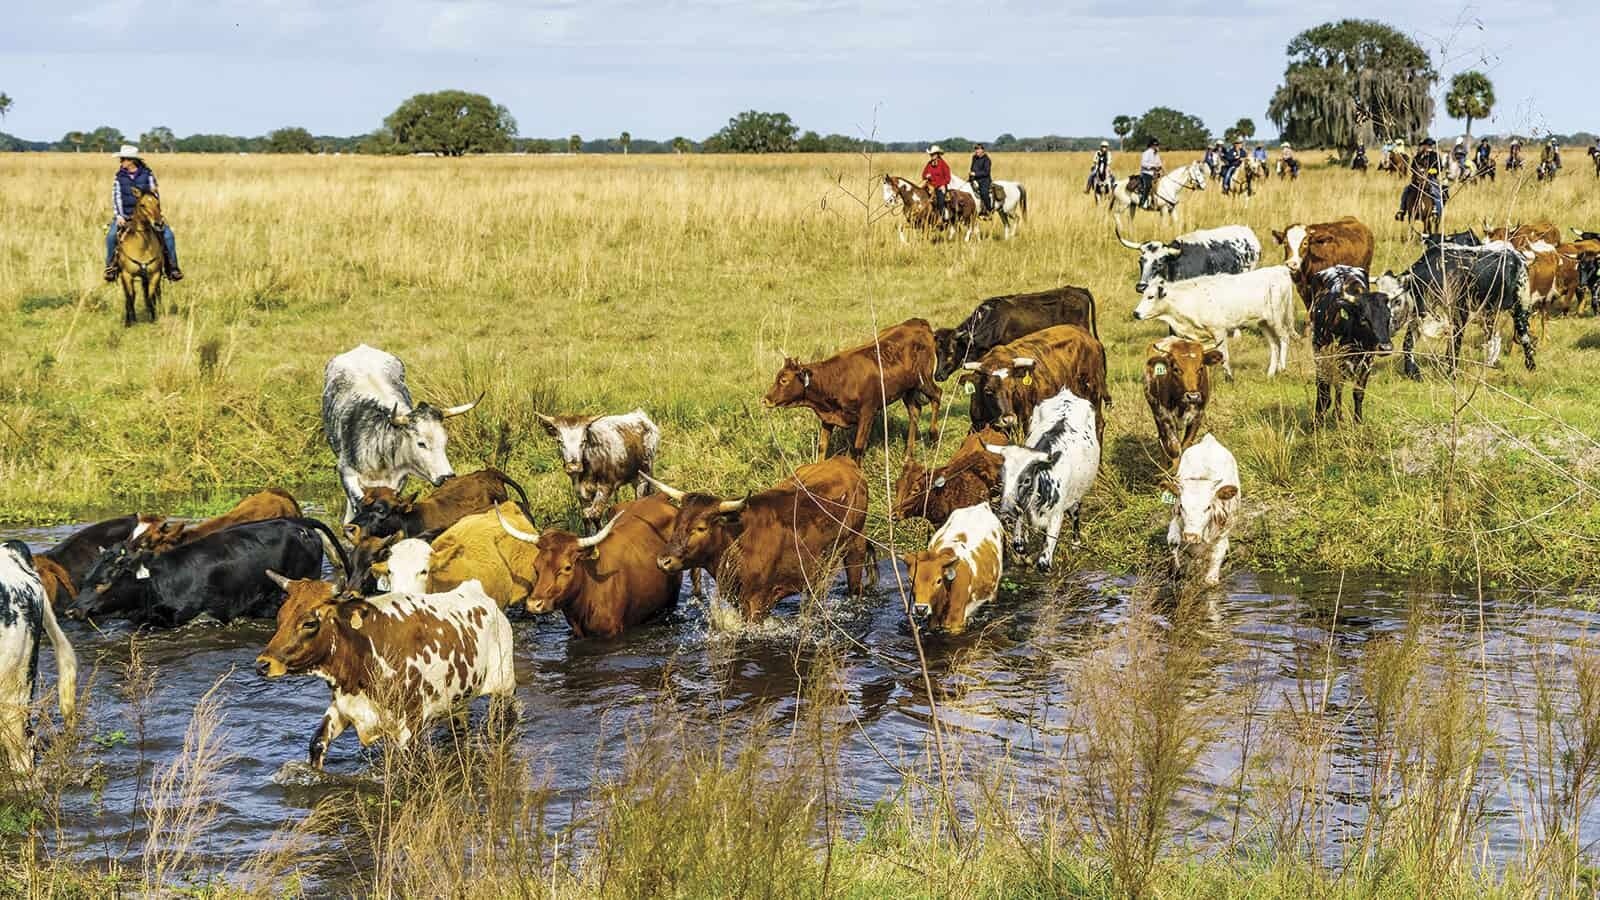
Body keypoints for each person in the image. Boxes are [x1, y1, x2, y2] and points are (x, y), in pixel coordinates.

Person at [105, 144, 182, 282]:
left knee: (168, 236)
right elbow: (116, 198)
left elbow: (155, 196)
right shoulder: (119, 177)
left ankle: (172, 268)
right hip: (126, 216)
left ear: (131, 161)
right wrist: (119, 216)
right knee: (111, 236)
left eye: (123, 159)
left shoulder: (148, 175)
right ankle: (111, 267)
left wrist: (156, 214)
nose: (121, 162)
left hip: (148, 216)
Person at [1398, 137, 1443, 222]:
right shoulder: (1418, 156)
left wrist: (1431, 171)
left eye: (1431, 145)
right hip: (1417, 179)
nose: (1430, 147)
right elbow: (1412, 167)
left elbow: (1440, 168)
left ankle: (1436, 212)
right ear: (1424, 146)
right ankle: (1402, 210)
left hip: (1430, 178)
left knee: (1436, 193)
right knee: (1406, 190)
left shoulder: (1435, 155)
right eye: (1428, 145)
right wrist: (1417, 172)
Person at [922, 145, 952, 222]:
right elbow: (923, 175)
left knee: (940, 202)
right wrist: (926, 176)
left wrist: (942, 185)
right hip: (929, 187)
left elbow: (948, 178)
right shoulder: (929, 164)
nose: (931, 156)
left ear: (937, 154)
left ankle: (942, 218)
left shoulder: (943, 164)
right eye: (930, 154)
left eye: (933, 154)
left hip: (940, 187)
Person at [968, 144, 993, 218]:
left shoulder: (987, 160)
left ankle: (989, 210)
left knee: (984, 193)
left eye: (978, 149)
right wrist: (970, 176)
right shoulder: (974, 158)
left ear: (982, 150)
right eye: (976, 149)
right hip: (974, 179)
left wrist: (975, 173)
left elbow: (986, 172)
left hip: (984, 180)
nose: (976, 151)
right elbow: (972, 168)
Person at [1138, 139, 1163, 207]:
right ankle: (1142, 202)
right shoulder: (1146, 152)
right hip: (1146, 173)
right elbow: (1143, 163)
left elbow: (1159, 163)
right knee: (1148, 186)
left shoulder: (1156, 154)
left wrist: (1160, 166)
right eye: (1156, 145)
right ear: (1152, 146)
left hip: (1155, 174)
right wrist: (1153, 166)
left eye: (1158, 145)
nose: (1158, 147)